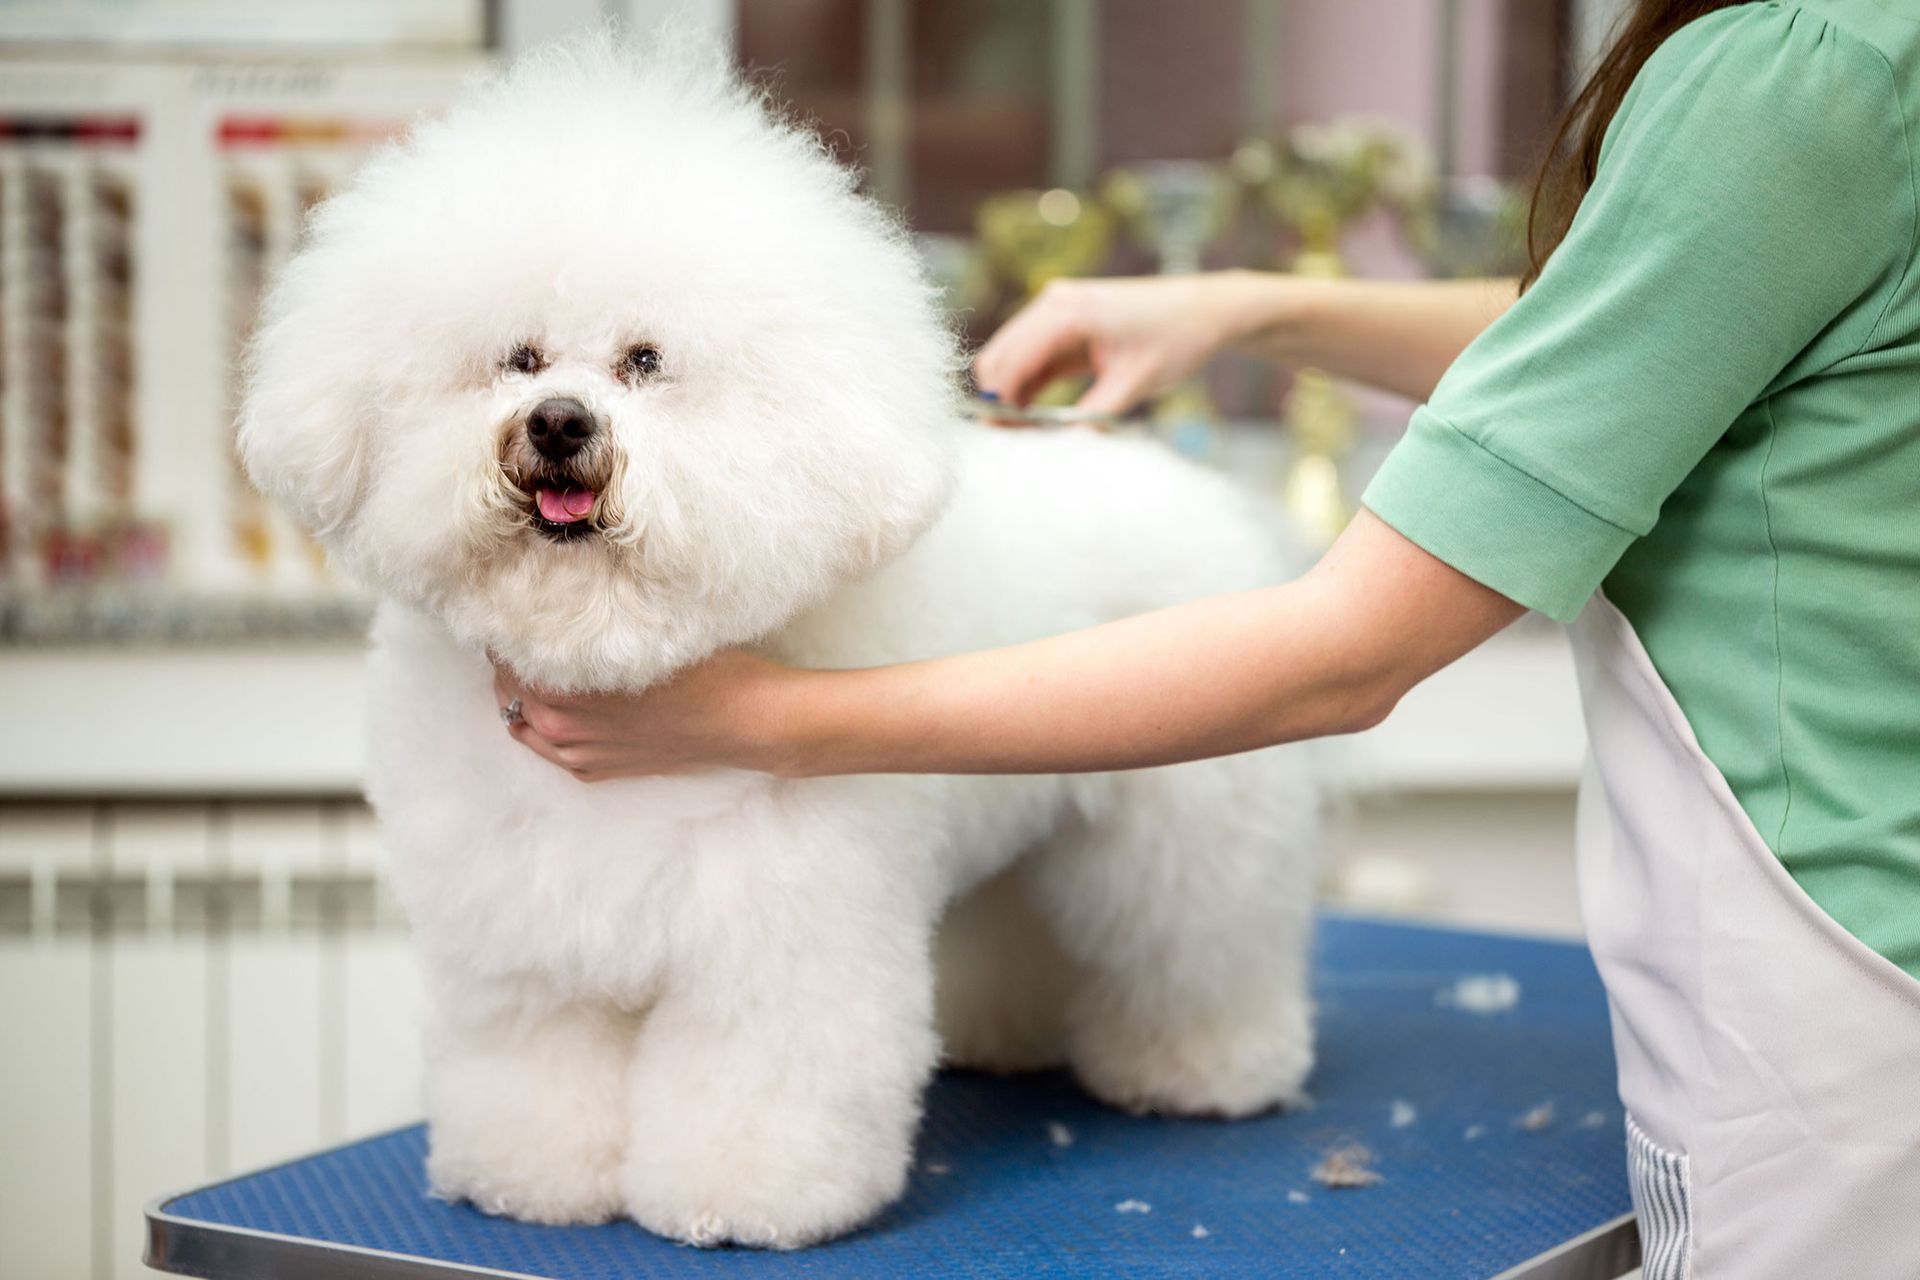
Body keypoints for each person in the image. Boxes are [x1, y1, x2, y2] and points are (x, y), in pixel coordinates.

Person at [492, 2, 1920, 1272]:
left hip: (1849, 1007)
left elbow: (1351, 648)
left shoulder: (1796, 68)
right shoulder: (1868, 52)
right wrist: (1251, 307)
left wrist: (762, 720)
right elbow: (1650, 313)